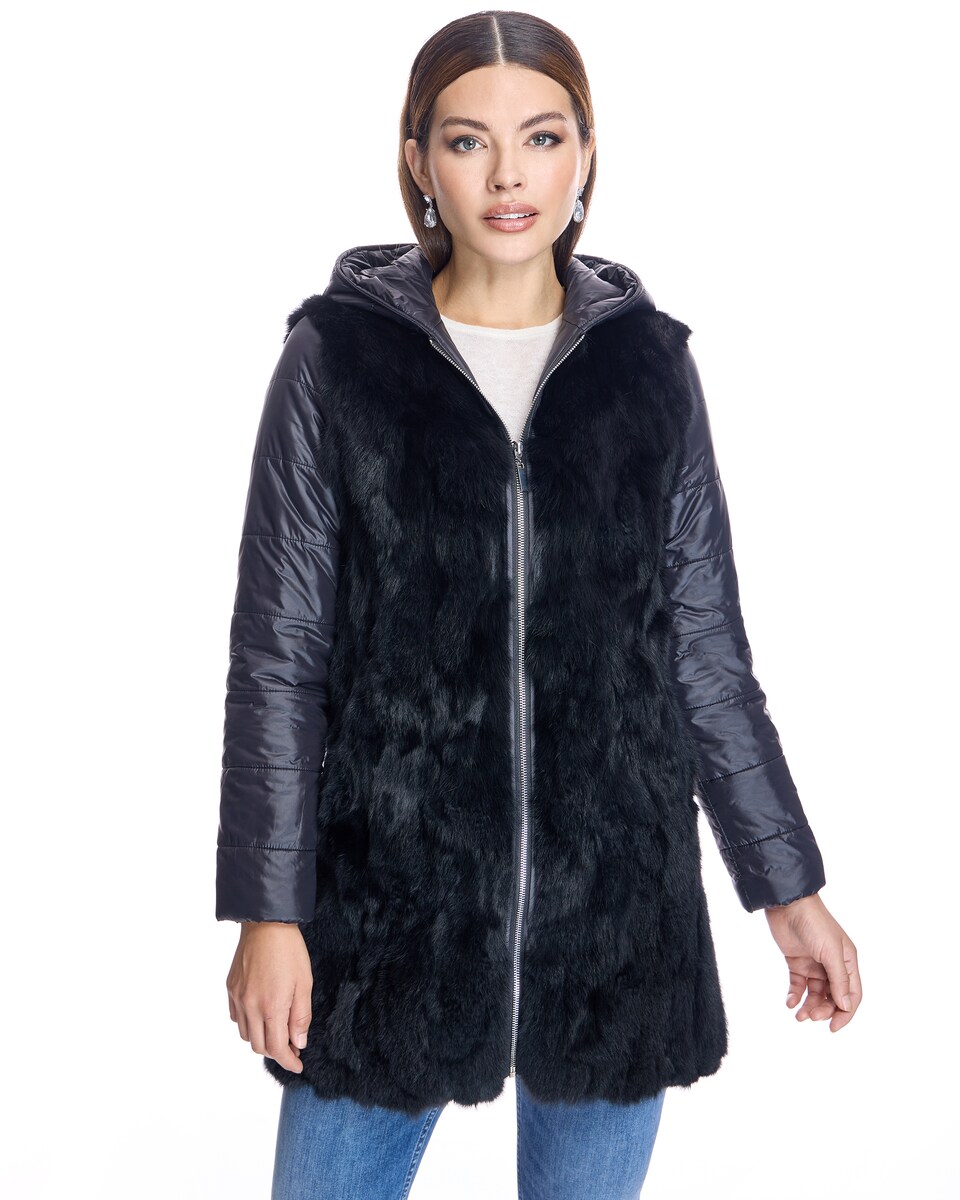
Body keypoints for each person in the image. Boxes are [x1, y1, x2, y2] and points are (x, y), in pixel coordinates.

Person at [216, 10, 862, 1198]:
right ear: (419, 160)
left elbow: (704, 654)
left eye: (543, 137)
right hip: (386, 916)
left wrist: (790, 889)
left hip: (614, 924)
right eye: (468, 141)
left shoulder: (647, 368)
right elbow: (280, 656)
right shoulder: (338, 362)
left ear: (586, 154)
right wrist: (268, 911)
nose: (508, 176)